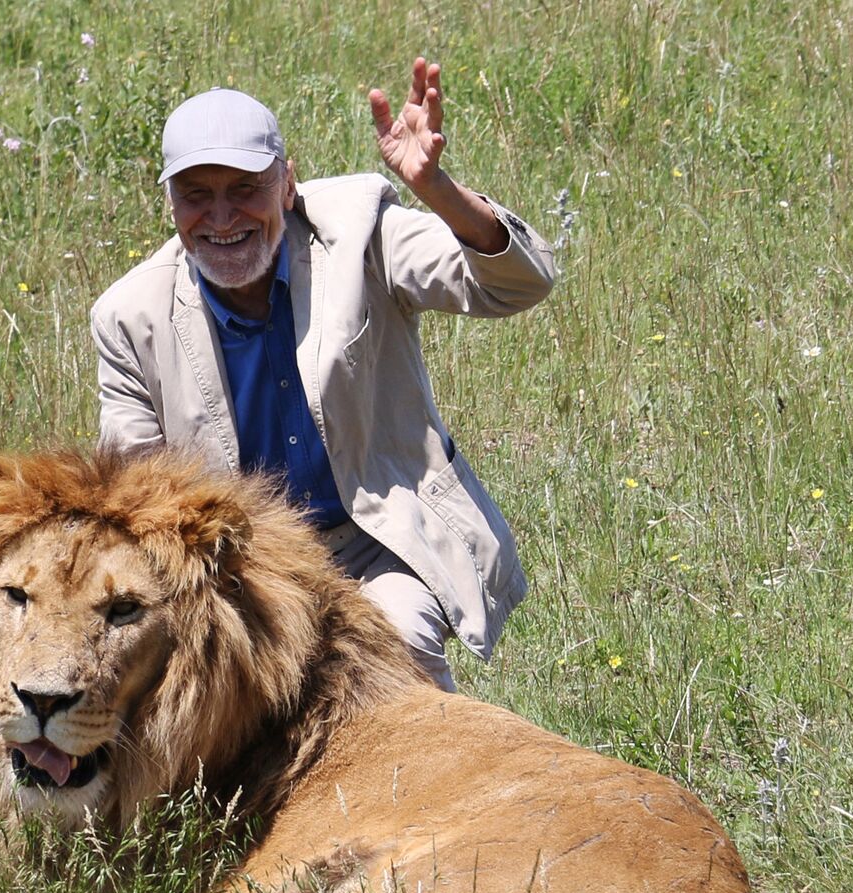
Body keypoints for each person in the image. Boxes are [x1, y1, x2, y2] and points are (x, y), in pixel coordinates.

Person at [93, 60, 556, 690]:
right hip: (242, 571)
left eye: (246, 189)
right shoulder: (129, 316)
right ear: (170, 202)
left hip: (381, 538)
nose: (223, 218)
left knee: (396, 650)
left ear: (287, 183)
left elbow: (518, 283)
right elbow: (136, 498)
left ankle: (423, 786)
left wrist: (437, 188)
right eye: (197, 195)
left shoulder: (360, 231)